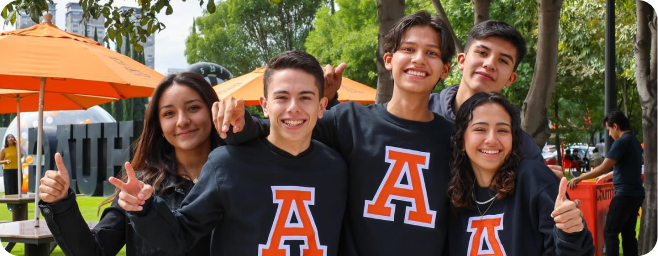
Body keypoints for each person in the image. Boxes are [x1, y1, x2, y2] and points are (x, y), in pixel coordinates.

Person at [214, 11, 457, 255]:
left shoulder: (455, 138)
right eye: (408, 49)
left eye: (432, 53)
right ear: (388, 59)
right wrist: (237, 122)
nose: (418, 59)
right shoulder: (350, 120)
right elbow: (280, 129)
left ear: (445, 69)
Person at [116, 51, 348, 255]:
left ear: (321, 106)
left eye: (305, 97)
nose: (293, 107)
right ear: (265, 105)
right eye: (282, 97)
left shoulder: (337, 167)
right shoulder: (227, 164)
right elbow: (182, 233)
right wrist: (145, 208)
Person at [323, 20, 565, 178]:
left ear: (511, 78)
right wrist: (328, 99)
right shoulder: (416, 113)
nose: (490, 64)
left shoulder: (513, 142)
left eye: (503, 60)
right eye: (481, 52)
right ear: (460, 62)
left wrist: (542, 181)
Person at [37, 72, 222, 256]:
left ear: (213, 110)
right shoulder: (140, 188)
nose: (182, 121)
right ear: (160, 127)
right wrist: (61, 203)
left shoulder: (235, 177)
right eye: (169, 113)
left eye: (193, 108)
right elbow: (95, 251)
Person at [446, 92, 594, 255]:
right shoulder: (453, 191)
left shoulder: (534, 179)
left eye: (502, 130)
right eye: (480, 129)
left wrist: (570, 233)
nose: (492, 139)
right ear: (461, 141)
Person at [568, 110, 645, 256]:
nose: (609, 134)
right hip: (636, 195)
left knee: (610, 232)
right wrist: (606, 176)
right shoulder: (634, 141)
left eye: (609, 129)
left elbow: (604, 166)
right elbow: (626, 166)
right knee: (628, 234)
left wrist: (580, 178)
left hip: (624, 195)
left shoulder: (621, 142)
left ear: (615, 126)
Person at [0, 134, 18, 211]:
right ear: (6, 139)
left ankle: (17, 205)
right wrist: (5, 161)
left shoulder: (16, 148)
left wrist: (17, 144)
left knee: (16, 187)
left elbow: (21, 155)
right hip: (8, 170)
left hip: (17, 169)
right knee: (9, 188)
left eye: (12, 137)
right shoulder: (4, 149)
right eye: (9, 137)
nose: (11, 138)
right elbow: (0, 161)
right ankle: (10, 206)